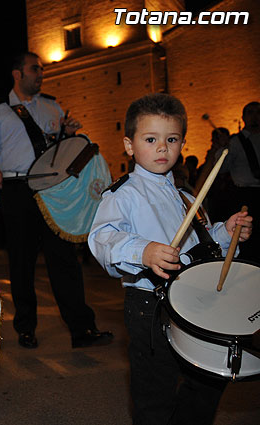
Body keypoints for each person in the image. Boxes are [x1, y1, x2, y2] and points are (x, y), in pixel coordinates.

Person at [88, 93, 253, 425]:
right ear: (130, 145)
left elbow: (202, 243)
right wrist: (143, 251)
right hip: (149, 305)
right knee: (155, 389)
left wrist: (226, 232)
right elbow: (102, 239)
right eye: (151, 139)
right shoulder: (123, 194)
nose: (162, 147)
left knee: (208, 377)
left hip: (194, 299)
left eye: (172, 139)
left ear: (182, 144)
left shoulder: (186, 195)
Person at [0, 51, 112, 349]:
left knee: (64, 258)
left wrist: (67, 135)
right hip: (16, 189)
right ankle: (25, 327)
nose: (41, 74)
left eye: (42, 69)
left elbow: (58, 152)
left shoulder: (51, 106)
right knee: (22, 261)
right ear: (17, 74)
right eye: (35, 69)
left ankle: (82, 329)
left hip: (52, 190)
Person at [217, 101, 260, 262]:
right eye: (250, 112)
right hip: (245, 195)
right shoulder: (236, 142)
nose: (255, 116)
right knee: (247, 240)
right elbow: (221, 168)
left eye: (258, 112)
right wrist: (223, 148)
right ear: (243, 117)